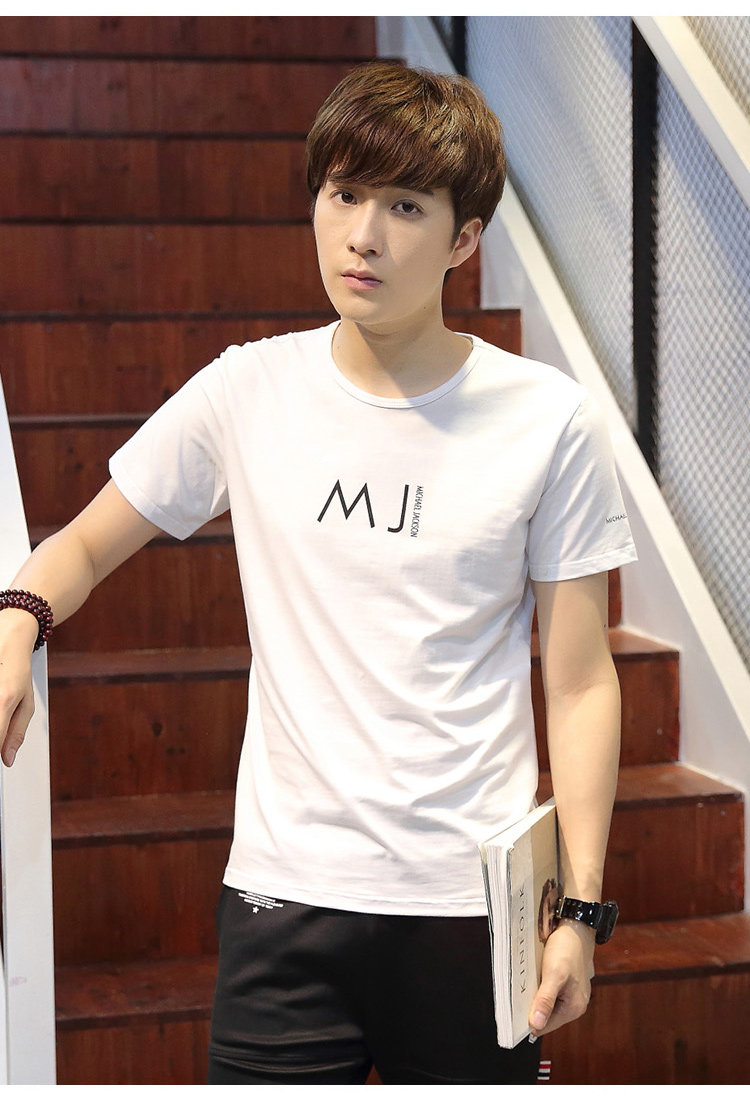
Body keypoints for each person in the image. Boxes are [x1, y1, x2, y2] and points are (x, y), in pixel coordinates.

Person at [0, 60, 636, 1085]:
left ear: (465, 239)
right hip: (282, 900)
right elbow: (78, 546)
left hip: (469, 909)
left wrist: (582, 910)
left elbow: (580, 682)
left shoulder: (546, 419)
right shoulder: (250, 390)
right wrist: (19, 615)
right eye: (343, 195)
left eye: (405, 206)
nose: (362, 235)